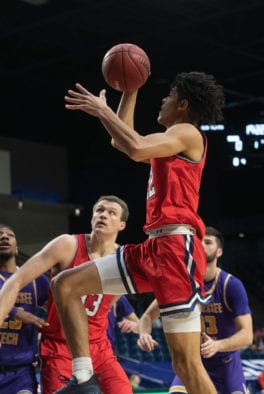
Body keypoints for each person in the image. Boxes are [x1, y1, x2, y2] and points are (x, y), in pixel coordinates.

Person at [53, 71, 225, 393]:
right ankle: (83, 378)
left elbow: (134, 146)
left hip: (177, 249)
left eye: (169, 95)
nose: (163, 100)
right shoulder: (169, 140)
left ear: (183, 105)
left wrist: (102, 110)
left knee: (185, 364)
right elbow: (122, 140)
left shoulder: (188, 132)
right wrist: (128, 92)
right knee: (65, 284)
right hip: (152, 248)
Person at [0, 196, 133, 394]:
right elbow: (16, 281)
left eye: (111, 212)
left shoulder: (124, 260)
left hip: (99, 349)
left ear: (122, 225)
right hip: (60, 349)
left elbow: (109, 305)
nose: (103, 215)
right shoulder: (67, 245)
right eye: (99, 210)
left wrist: (145, 322)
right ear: (91, 218)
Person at [137, 226, 253, 394]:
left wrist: (217, 345)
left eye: (208, 242)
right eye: (199, 242)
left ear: (219, 252)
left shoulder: (231, 285)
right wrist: (144, 334)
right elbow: (147, 317)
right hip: (191, 362)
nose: (202, 245)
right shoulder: (180, 284)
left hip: (225, 364)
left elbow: (247, 335)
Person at [0, 224, 50, 394]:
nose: (4, 237)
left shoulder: (36, 280)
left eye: (10, 235)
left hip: (21, 372)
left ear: (17, 249)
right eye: (0, 235)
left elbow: (57, 314)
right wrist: (14, 312)